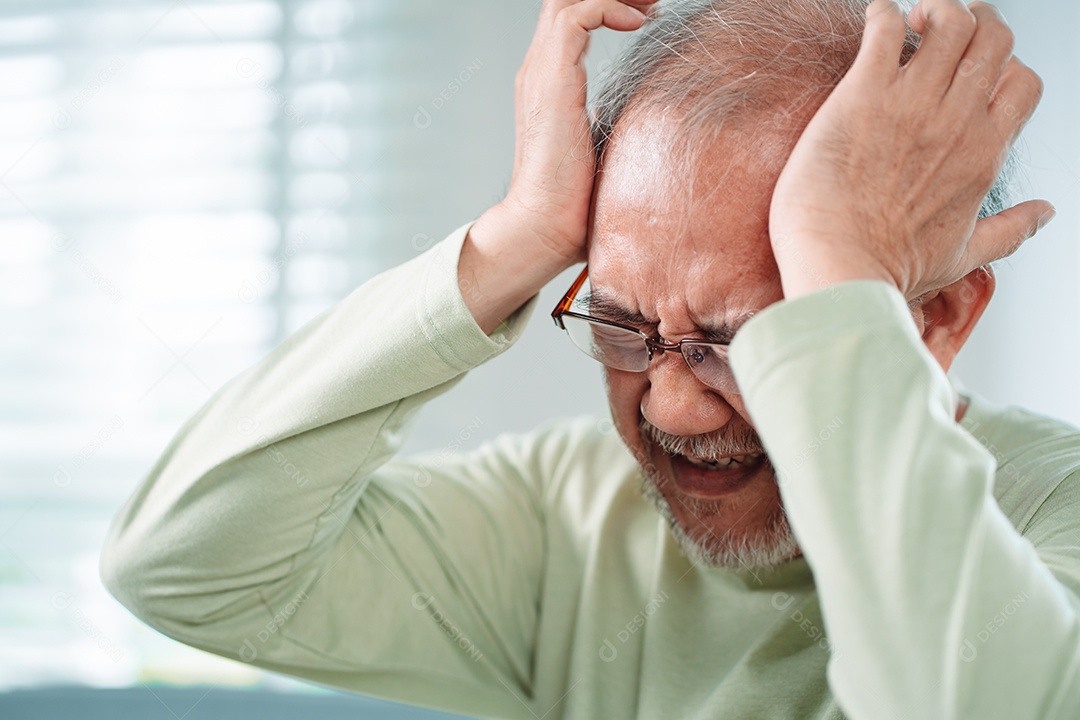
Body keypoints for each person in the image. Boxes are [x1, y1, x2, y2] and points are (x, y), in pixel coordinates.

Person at [100, 0, 1080, 717]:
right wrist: (514, 241)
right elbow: (184, 568)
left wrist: (836, 260)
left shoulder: (1059, 513)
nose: (674, 413)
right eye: (624, 327)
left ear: (938, 318)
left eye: (749, 342)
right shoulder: (564, 515)